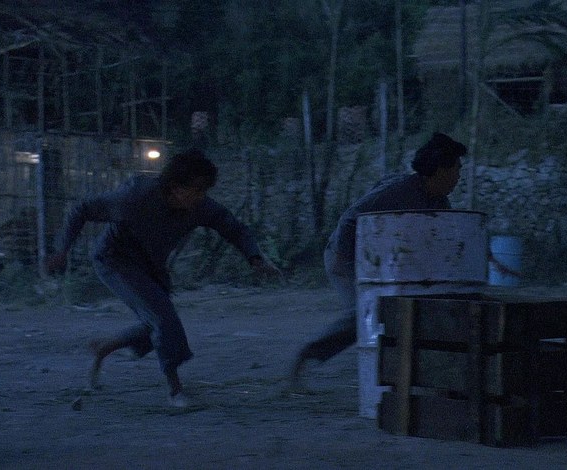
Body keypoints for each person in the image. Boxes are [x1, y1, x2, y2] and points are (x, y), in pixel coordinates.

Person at [48, 149, 281, 407]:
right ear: (176, 187)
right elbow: (82, 209)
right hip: (115, 260)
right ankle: (175, 390)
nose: (201, 196)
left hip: (150, 265)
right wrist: (62, 250)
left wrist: (255, 258)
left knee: (157, 323)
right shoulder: (135, 197)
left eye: (205, 190)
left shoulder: (199, 207)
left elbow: (231, 226)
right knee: (163, 318)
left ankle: (106, 347)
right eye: (197, 189)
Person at [289, 132, 467, 387]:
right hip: (346, 255)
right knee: (363, 312)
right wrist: (342, 256)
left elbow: (449, 238)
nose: (459, 176)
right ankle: (309, 353)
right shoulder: (399, 191)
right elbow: (350, 218)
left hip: (380, 264)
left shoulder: (439, 202)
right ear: (440, 169)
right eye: (457, 168)